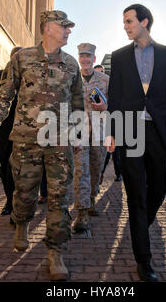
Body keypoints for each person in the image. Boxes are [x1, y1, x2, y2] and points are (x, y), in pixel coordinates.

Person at [0, 10, 84, 281]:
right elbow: (4, 95)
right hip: (26, 138)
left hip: (60, 142)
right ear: (48, 28)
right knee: (25, 191)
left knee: (59, 197)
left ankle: (56, 253)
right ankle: (21, 222)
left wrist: (76, 136)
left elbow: (78, 106)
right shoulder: (22, 58)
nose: (68, 31)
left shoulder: (72, 65)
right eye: (65, 26)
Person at [106, 4, 166, 282]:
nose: (125, 26)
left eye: (129, 21)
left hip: (157, 131)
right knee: (136, 194)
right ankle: (144, 261)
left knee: (160, 186)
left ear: (145, 22)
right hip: (129, 130)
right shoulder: (119, 57)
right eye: (124, 22)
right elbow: (114, 98)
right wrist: (112, 131)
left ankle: (140, 222)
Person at [72, 43, 109, 233]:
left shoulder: (105, 80)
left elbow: (115, 105)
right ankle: (82, 211)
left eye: (89, 56)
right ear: (79, 58)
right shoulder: (72, 78)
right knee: (80, 170)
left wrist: (106, 106)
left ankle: (92, 198)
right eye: (82, 56)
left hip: (100, 132)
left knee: (96, 168)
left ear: (94, 59)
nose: (85, 59)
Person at [0, 47, 21, 219]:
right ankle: (9, 200)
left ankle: (18, 203)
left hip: (24, 128)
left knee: (19, 167)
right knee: (5, 165)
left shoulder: (28, 77)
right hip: (4, 127)